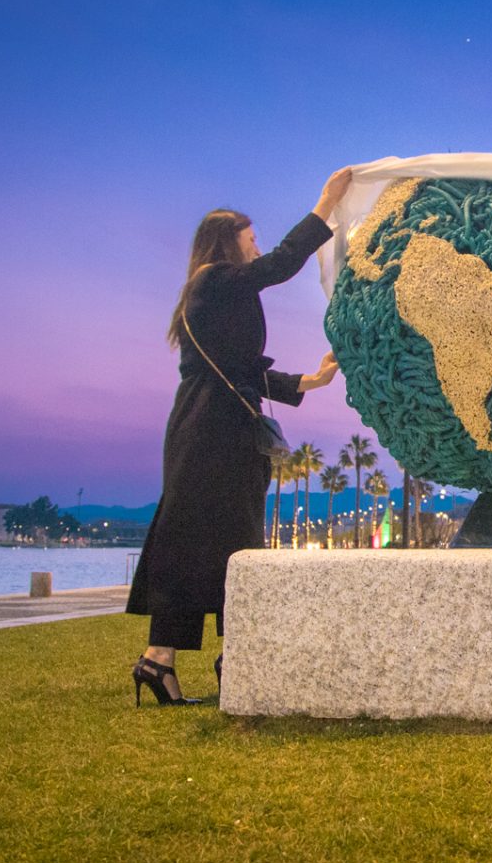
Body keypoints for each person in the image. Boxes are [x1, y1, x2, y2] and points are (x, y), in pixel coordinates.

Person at [126, 168, 353, 705]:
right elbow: (279, 265)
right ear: (227, 242)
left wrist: (309, 381)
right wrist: (324, 206)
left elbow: (241, 370)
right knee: (215, 541)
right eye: (250, 238)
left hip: (219, 426)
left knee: (211, 540)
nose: (257, 247)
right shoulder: (214, 280)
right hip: (209, 433)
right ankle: (217, 659)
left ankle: (167, 662)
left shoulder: (219, 294)